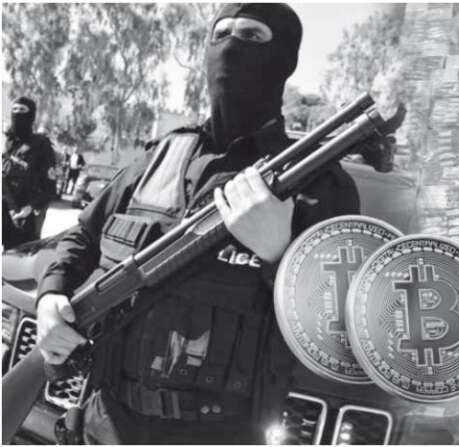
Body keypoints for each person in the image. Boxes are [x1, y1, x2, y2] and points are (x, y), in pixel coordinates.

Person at [34, 4, 376, 444]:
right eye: (221, 34)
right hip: (106, 423)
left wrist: (282, 257)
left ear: (286, 58)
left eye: (252, 36)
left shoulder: (319, 184)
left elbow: (344, 333)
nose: (231, 47)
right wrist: (51, 296)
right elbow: (83, 235)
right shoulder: (160, 157)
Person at [2, 96, 57, 249]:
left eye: (22, 110)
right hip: (4, 208)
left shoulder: (41, 145)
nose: (17, 113)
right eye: (14, 109)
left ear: (31, 115)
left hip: (23, 216)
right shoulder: (9, 143)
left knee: (16, 258)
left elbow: (50, 188)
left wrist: (30, 207)